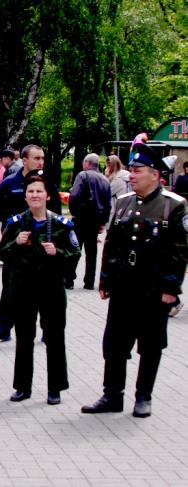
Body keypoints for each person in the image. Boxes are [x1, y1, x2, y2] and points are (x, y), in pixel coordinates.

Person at [81, 143, 188, 418]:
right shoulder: (125, 201)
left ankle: (144, 397)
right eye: (131, 170)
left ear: (155, 174)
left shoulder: (173, 205)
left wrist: (171, 287)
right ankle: (112, 395)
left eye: (138, 170)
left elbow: (180, 250)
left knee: (150, 345)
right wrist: (105, 279)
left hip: (154, 288)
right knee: (114, 343)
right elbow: (113, 243)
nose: (132, 175)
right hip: (125, 285)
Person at [0, 175, 81, 405]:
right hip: (24, 288)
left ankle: (55, 388)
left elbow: (75, 254)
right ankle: (22, 387)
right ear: (25, 196)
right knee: (24, 338)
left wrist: (57, 252)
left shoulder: (62, 225)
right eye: (31, 191)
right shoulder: (15, 223)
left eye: (39, 192)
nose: (35, 195)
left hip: (51, 288)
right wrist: (16, 243)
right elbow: (1, 253)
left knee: (54, 338)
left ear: (48, 196)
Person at [0, 144, 62, 344]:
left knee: (44, 290)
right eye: (37, 158)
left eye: (42, 158)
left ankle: (47, 331)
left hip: (40, 245)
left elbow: (56, 211)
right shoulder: (11, 182)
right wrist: (10, 225)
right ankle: (4, 329)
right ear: (25, 159)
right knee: (9, 288)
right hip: (16, 245)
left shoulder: (47, 184)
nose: (40, 162)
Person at [67, 153, 112, 290]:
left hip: (81, 218)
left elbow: (74, 196)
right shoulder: (105, 180)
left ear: (87, 163)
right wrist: (102, 222)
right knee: (92, 252)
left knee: (74, 249)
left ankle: (69, 279)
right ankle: (89, 281)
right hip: (95, 220)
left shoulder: (83, 175)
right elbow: (108, 204)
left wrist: (74, 212)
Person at [105, 155, 131, 220]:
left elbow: (106, 193)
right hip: (120, 207)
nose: (107, 167)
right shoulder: (121, 175)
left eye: (109, 165)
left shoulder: (117, 179)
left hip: (116, 209)